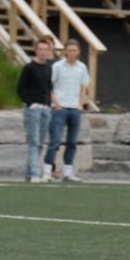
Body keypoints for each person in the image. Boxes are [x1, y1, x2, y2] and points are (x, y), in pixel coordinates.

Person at [44, 39, 91, 183]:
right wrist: (56, 103)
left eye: (74, 51)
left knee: (72, 142)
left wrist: (80, 104)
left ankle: (68, 172)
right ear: (65, 51)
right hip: (60, 108)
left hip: (74, 108)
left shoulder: (81, 67)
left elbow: (84, 86)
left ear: (78, 52)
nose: (71, 53)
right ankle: (47, 171)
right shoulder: (57, 66)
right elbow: (49, 86)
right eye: (69, 50)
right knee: (55, 141)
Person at [17, 36, 54, 183]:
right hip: (34, 109)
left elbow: (49, 88)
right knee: (34, 141)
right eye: (41, 49)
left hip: (46, 109)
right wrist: (30, 103)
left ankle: (29, 172)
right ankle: (34, 172)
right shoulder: (29, 68)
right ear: (36, 50)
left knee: (40, 143)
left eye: (46, 49)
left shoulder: (49, 68)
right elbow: (20, 88)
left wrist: (49, 104)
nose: (43, 52)